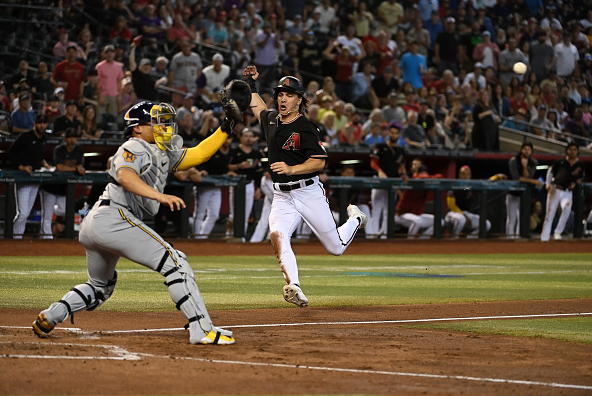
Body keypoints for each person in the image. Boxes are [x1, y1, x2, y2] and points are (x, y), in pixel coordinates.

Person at [32, 100, 237, 345]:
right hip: (114, 218)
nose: (165, 125)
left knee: (99, 287)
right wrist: (159, 195)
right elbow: (125, 176)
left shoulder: (158, 151)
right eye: (157, 121)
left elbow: (199, 153)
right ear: (137, 127)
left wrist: (226, 126)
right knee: (176, 263)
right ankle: (201, 329)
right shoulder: (135, 145)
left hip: (100, 221)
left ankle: (52, 315)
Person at [245, 66, 367, 307]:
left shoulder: (306, 127)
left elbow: (319, 161)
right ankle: (294, 286)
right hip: (282, 195)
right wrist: (251, 85)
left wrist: (291, 169)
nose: (283, 98)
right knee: (278, 236)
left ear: (299, 100)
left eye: (289, 95)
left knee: (336, 248)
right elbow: (258, 107)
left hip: (307, 191)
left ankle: (355, 218)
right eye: (280, 94)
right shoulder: (271, 120)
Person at [6, 114, 51, 238]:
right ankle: (13, 236)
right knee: (23, 213)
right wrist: (21, 166)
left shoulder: (43, 139)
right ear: (35, 123)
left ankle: (18, 237)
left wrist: (44, 163)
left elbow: (38, 156)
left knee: (26, 213)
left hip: (35, 179)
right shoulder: (25, 137)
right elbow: (10, 153)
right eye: (39, 123)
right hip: (23, 178)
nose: (42, 125)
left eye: (44, 123)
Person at [39, 128, 86, 238]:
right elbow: (60, 167)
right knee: (47, 216)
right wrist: (75, 168)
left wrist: (76, 168)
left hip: (64, 188)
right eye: (70, 137)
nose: (72, 140)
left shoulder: (79, 149)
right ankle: (46, 238)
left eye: (74, 137)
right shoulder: (59, 149)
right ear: (65, 138)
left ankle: (51, 208)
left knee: (65, 210)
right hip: (50, 186)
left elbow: (81, 167)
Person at [445, 165, 506, 238]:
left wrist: (497, 177)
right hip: (452, 213)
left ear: (470, 175)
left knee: (486, 224)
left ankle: (470, 238)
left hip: (465, 213)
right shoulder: (454, 186)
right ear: (459, 175)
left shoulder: (470, 186)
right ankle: (454, 238)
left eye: (467, 174)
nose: (465, 176)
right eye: (463, 174)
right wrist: (464, 216)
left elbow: (485, 183)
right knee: (462, 219)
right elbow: (452, 206)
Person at [541, 143, 586, 242]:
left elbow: (580, 178)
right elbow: (550, 171)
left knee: (566, 208)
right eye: (570, 149)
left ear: (577, 151)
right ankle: (545, 237)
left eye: (574, 149)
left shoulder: (580, 165)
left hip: (567, 191)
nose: (572, 152)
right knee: (550, 214)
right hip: (555, 188)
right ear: (567, 150)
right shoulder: (561, 161)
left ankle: (558, 232)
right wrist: (548, 183)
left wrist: (575, 183)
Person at [369, 121, 406, 238]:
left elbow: (401, 167)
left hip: (393, 182)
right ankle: (373, 235)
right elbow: (373, 163)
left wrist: (404, 174)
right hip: (380, 181)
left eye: (396, 133)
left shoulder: (401, 150)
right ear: (388, 133)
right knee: (376, 209)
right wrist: (380, 171)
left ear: (399, 135)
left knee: (388, 211)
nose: (394, 135)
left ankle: (385, 235)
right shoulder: (380, 146)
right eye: (392, 132)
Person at [193, 134, 234, 238]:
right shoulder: (213, 149)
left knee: (214, 215)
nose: (227, 141)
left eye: (229, 138)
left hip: (217, 186)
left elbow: (223, 167)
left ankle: (202, 237)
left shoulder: (230, 152)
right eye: (225, 138)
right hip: (204, 184)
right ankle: (195, 238)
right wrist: (200, 170)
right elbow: (199, 157)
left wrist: (228, 172)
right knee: (200, 213)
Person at [228, 128, 262, 237]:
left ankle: (241, 237)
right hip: (236, 184)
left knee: (246, 214)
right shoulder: (234, 151)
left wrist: (258, 188)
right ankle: (229, 235)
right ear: (241, 137)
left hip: (250, 183)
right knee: (233, 214)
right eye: (246, 136)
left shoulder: (256, 153)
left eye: (250, 136)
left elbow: (258, 172)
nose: (248, 138)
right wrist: (238, 166)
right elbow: (227, 167)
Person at [96, 45, 125, 122]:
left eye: (112, 52)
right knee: (100, 116)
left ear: (114, 54)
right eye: (107, 52)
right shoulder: (99, 66)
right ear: (104, 54)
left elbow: (119, 81)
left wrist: (119, 95)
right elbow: (97, 82)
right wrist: (100, 96)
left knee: (113, 117)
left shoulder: (118, 66)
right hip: (103, 94)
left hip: (114, 95)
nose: (110, 54)